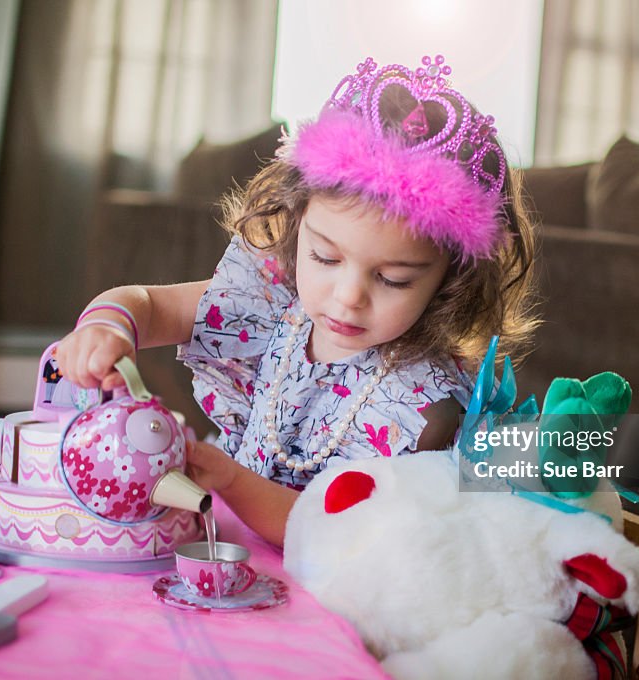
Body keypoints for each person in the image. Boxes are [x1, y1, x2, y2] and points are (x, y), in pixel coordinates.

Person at [56, 55, 538, 546]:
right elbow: (150, 306)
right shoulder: (270, 307)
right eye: (325, 257)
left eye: (393, 279)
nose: (348, 297)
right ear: (295, 222)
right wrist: (110, 327)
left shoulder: (419, 406)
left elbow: (337, 532)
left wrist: (231, 480)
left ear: (450, 280)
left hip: (325, 592)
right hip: (223, 544)